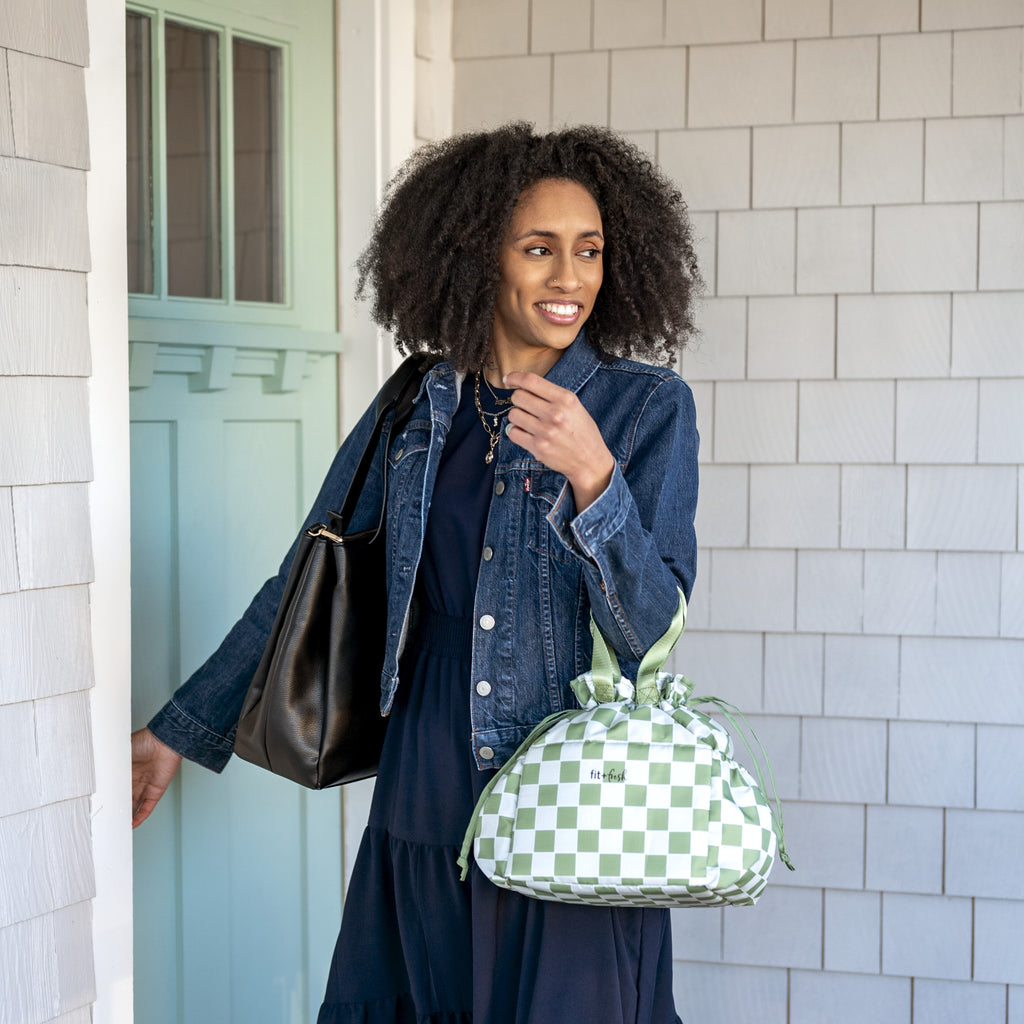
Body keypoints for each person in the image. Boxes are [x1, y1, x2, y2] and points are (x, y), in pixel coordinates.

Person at [132, 122, 702, 1024]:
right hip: (427, 780)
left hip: (575, 798)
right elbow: (306, 580)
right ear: (479, 257)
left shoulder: (644, 408)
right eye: (539, 249)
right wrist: (178, 731)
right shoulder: (420, 401)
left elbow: (650, 630)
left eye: (588, 251)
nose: (569, 278)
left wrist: (596, 479)